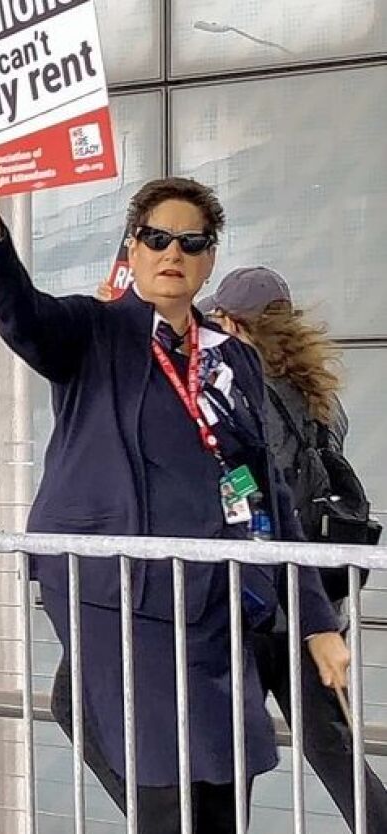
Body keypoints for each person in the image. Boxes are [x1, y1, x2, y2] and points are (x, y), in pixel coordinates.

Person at [0, 152, 350, 832]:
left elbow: (266, 493)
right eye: (156, 238)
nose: (172, 252)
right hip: (113, 591)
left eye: (190, 241)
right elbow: (21, 315)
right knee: (162, 779)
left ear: (207, 256)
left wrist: (312, 620)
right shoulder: (93, 329)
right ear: (131, 247)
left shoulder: (232, 357)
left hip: (211, 596)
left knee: (226, 777)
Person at [204, 267, 387, 833]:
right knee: (332, 747)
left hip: (263, 597)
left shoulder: (249, 397)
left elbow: (258, 495)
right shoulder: (317, 395)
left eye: (219, 322)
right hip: (314, 603)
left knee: (234, 750)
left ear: (238, 326)